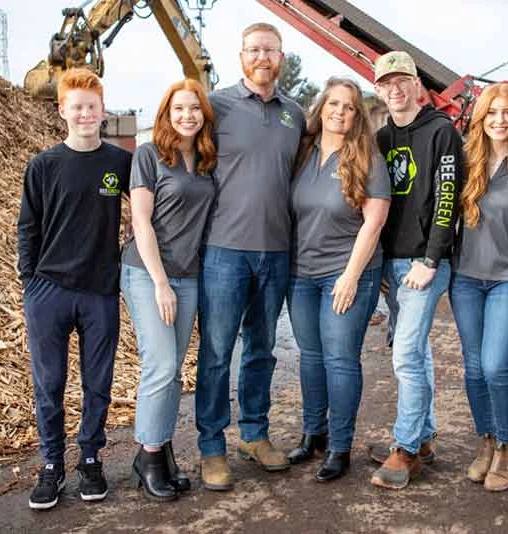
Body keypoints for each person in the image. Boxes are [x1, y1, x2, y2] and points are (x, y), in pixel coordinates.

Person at [195, 22, 306, 491]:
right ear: (241, 56)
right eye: (254, 49)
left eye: (270, 50)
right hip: (224, 251)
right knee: (218, 352)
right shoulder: (215, 105)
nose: (262, 56)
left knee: (262, 349)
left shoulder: (296, 114)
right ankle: (212, 447)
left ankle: (255, 435)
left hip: (276, 250)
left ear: (281, 57)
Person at [17, 68, 132, 510]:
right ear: (62, 109)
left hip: (99, 291)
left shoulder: (118, 164)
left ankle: (89, 458)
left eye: (92, 106)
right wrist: (31, 282)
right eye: (76, 106)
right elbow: (28, 227)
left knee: (97, 382)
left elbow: (146, 210)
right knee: (49, 382)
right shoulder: (44, 165)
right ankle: (50, 465)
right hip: (49, 291)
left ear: (102, 111)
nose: (85, 113)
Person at [285, 77, 390, 482]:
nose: (340, 112)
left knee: (340, 359)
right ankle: (314, 433)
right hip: (301, 272)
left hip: (347, 273)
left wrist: (350, 276)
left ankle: (340, 447)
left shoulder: (367, 158)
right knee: (309, 357)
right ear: (321, 108)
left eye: (348, 106)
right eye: (333, 104)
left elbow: (374, 220)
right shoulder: (304, 153)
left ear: (356, 115)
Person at [368, 51, 465, 490]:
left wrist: (431, 259)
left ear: (416, 84)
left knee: (405, 353)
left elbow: (448, 198)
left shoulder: (441, 132)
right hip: (393, 263)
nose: (395, 89)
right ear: (379, 89)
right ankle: (423, 438)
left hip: (426, 263)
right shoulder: (382, 138)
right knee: (415, 353)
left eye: (402, 80)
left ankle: (404, 448)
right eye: (386, 83)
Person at [120, 79, 217, 501]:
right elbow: (141, 222)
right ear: (165, 114)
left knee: (174, 370)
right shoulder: (148, 155)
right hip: (148, 271)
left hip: (190, 274)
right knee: (159, 366)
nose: (187, 116)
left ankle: (160, 450)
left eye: (194, 109)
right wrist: (160, 283)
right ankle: (150, 455)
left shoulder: (208, 160)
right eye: (179, 109)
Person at [450, 82, 508, 492]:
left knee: (496, 364)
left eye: (507, 113)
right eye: (492, 113)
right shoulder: (465, 161)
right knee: (472, 366)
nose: (499, 121)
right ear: (480, 117)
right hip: (465, 276)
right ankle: (485, 440)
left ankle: (505, 444)